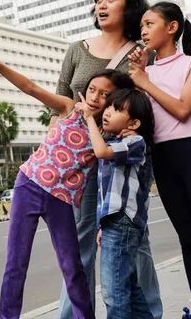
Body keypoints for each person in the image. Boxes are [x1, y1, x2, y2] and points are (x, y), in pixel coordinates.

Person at [51, 0, 191, 319]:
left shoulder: (143, 53)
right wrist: (54, 158)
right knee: (79, 244)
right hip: (81, 160)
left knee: (135, 243)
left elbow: (172, 74)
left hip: (127, 162)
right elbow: (62, 106)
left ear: (129, 6)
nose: (102, 3)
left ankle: (150, 314)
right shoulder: (76, 50)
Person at [0, 58, 136, 319]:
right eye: (92, 89)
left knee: (72, 267)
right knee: (16, 263)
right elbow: (32, 89)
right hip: (29, 185)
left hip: (62, 199)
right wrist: (0, 67)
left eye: (105, 95)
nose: (94, 97)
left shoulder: (106, 133)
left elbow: (107, 172)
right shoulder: (69, 107)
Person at [129, 2, 191, 319]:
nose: (143, 31)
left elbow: (184, 109)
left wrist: (145, 83)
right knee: (186, 238)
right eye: (141, 26)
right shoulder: (142, 73)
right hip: (163, 157)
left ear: (171, 27)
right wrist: (140, 78)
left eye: (149, 24)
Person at [76, 88, 155, 318]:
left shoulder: (135, 142)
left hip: (124, 221)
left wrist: (90, 118)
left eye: (117, 109)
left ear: (134, 123)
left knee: (114, 293)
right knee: (131, 292)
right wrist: (103, 225)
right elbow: (108, 191)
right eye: (109, 106)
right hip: (116, 222)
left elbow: (100, 152)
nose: (108, 111)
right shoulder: (116, 140)